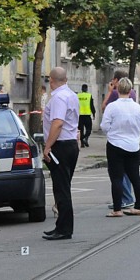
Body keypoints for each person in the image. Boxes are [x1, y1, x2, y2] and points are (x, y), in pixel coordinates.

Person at [42, 67, 80, 240]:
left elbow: (57, 123)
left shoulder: (58, 97)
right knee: (63, 187)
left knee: (61, 189)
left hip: (61, 146)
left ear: (51, 80)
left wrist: (47, 146)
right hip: (71, 144)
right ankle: (61, 226)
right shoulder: (71, 95)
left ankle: (64, 229)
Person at [100, 77, 140, 217]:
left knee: (117, 178)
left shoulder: (112, 107)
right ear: (131, 90)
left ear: (117, 89)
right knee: (135, 177)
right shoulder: (137, 107)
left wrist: (112, 132)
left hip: (115, 145)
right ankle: (138, 207)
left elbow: (104, 126)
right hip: (133, 146)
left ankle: (117, 209)